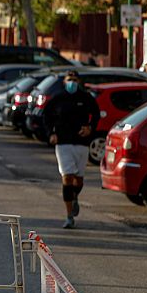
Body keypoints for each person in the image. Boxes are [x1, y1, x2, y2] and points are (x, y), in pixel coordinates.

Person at [42, 71, 100, 229]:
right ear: (64, 82)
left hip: (81, 142)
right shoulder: (58, 98)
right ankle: (69, 216)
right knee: (67, 177)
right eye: (69, 80)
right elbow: (46, 116)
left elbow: (96, 114)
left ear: (78, 81)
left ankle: (74, 196)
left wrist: (90, 128)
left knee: (78, 179)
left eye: (74, 80)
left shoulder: (85, 97)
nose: (72, 83)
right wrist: (51, 133)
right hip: (63, 142)